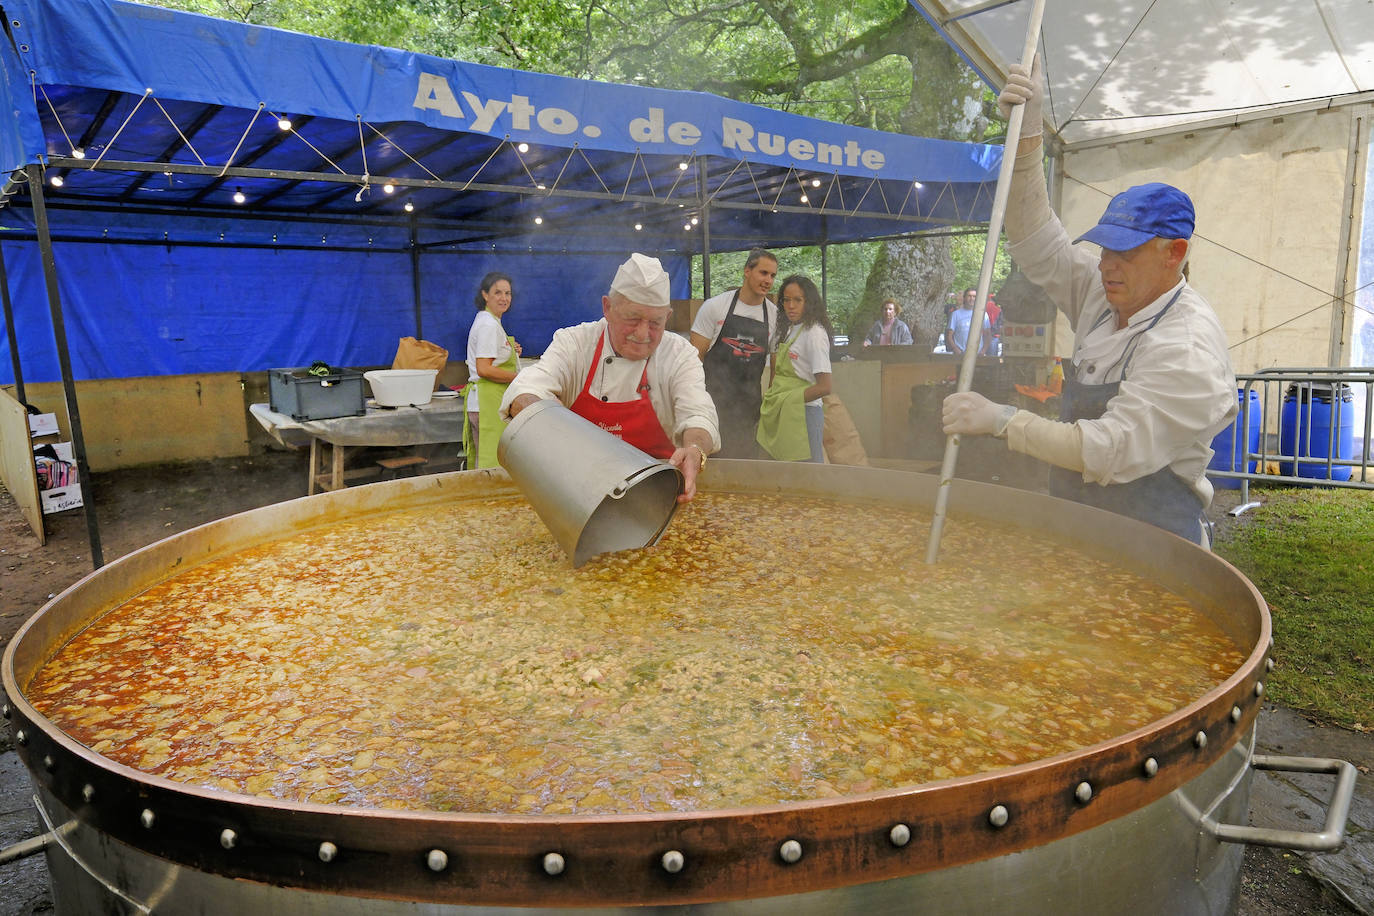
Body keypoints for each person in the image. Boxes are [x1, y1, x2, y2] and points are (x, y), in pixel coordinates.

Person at [941, 56, 1237, 546]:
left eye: (1126, 252)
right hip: (1077, 530)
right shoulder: (1105, 296)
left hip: (1157, 548)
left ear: (1175, 254)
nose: (1106, 265)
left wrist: (1002, 420)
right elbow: (1037, 240)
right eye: (1104, 248)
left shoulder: (1186, 347)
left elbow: (1109, 449)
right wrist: (1030, 132)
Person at [503, 253, 718, 502]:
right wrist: (553, 422)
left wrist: (695, 449)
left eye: (655, 323)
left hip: (659, 497)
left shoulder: (679, 354)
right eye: (632, 318)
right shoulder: (574, 343)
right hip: (576, 496)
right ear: (607, 307)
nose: (642, 333)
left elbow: (697, 413)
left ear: (667, 317)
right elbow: (525, 392)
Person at [689, 248, 778, 457]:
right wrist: (694, 400)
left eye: (773, 275)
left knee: (742, 468)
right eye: (763, 273)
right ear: (747, 271)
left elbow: (776, 368)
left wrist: (770, 407)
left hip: (749, 409)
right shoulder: (714, 307)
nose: (768, 280)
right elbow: (693, 359)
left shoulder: (774, 316)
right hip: (711, 405)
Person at [757, 275, 833, 462]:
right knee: (784, 472)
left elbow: (825, 387)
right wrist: (773, 401)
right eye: (787, 300)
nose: (791, 306)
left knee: (808, 476)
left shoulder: (814, 333)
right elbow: (776, 374)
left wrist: (788, 400)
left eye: (798, 300)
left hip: (804, 414)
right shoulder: (787, 330)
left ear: (810, 302)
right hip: (782, 410)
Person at [464, 271, 522, 469]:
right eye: (498, 293)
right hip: (486, 403)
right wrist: (519, 378)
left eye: (508, 293)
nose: (504, 298)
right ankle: (486, 499)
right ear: (485, 295)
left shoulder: (491, 321)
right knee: (491, 461)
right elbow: (484, 369)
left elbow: (492, 356)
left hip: (488, 401)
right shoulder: (488, 325)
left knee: (489, 459)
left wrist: (510, 349)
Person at [947, 287, 992, 357]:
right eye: (969, 296)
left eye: (974, 296)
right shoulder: (955, 314)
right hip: (960, 355)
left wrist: (983, 351)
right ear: (964, 298)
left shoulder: (983, 314)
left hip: (977, 356)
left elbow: (988, 335)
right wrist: (955, 349)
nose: (972, 299)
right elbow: (949, 336)